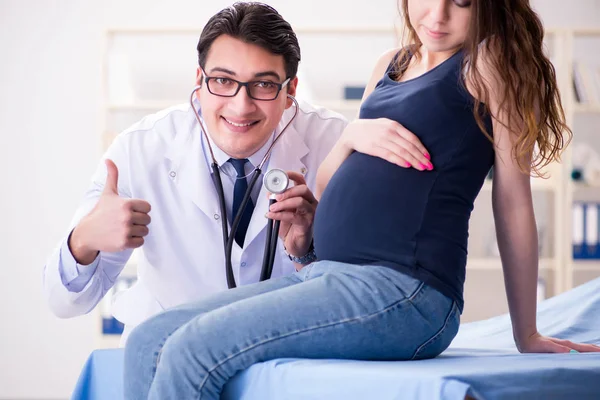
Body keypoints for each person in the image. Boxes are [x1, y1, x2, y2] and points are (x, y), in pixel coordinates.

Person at [124, 0, 600, 398]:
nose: (437, 15)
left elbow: (513, 202)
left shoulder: (487, 66)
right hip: (327, 274)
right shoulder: (390, 65)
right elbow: (332, 180)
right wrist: (354, 134)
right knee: (149, 338)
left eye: (462, 1)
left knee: (193, 349)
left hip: (406, 292)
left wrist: (527, 333)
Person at [42, 2, 349, 343]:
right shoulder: (140, 150)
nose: (240, 105)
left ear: (290, 91)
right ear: (199, 81)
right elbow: (64, 301)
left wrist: (308, 252)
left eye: (262, 85)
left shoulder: (335, 145)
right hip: (167, 350)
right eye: (222, 80)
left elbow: (363, 298)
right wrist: (84, 239)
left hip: (284, 356)